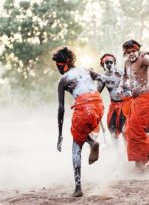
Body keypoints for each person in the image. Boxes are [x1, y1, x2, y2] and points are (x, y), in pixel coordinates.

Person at [52, 47, 104, 197]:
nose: (58, 69)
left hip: (84, 108)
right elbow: (103, 78)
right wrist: (95, 94)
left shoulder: (64, 80)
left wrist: (60, 134)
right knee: (84, 130)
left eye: (58, 65)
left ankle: (78, 188)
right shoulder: (85, 70)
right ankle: (91, 141)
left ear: (65, 63)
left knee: (76, 146)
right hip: (98, 105)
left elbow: (61, 108)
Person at [119, 39, 149, 171]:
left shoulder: (143, 60)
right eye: (128, 52)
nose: (131, 53)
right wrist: (121, 85)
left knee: (136, 130)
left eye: (134, 51)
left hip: (145, 98)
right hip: (134, 99)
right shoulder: (127, 62)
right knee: (128, 131)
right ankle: (141, 161)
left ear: (138, 50)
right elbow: (125, 76)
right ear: (125, 53)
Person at [97, 54, 128, 143]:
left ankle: (127, 151)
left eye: (111, 62)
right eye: (106, 62)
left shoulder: (121, 73)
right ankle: (117, 151)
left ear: (114, 63)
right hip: (114, 105)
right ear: (103, 65)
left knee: (125, 129)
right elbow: (96, 92)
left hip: (125, 104)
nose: (109, 64)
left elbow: (131, 86)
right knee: (111, 127)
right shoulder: (103, 78)